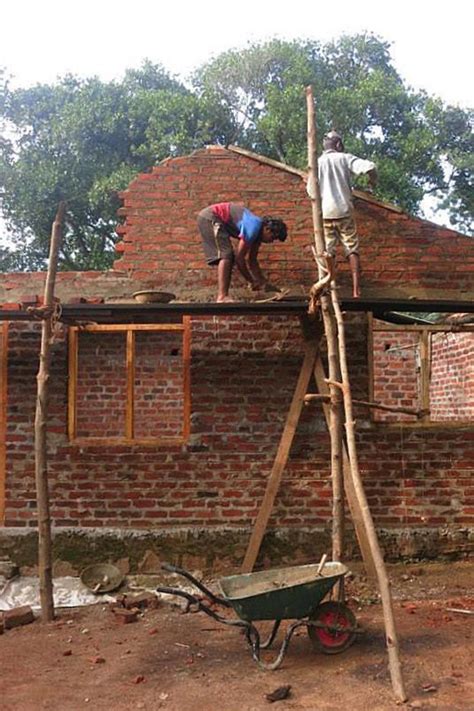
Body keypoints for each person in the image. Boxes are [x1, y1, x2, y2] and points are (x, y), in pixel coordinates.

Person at [308, 130, 377, 298]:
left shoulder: (317, 163)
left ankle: (327, 284)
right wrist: (372, 182)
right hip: (344, 211)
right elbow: (370, 166)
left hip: (325, 214)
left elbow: (311, 191)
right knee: (351, 249)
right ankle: (356, 291)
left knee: (328, 250)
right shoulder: (344, 158)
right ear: (338, 145)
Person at [197, 202, 288, 302]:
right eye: (273, 237)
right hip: (211, 217)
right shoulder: (253, 227)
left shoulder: (257, 236)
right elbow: (239, 259)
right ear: (267, 229)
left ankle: (223, 295)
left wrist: (263, 283)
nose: (271, 241)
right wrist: (251, 281)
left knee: (227, 255)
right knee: (226, 255)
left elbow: (252, 261)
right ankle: (222, 296)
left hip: (215, 219)